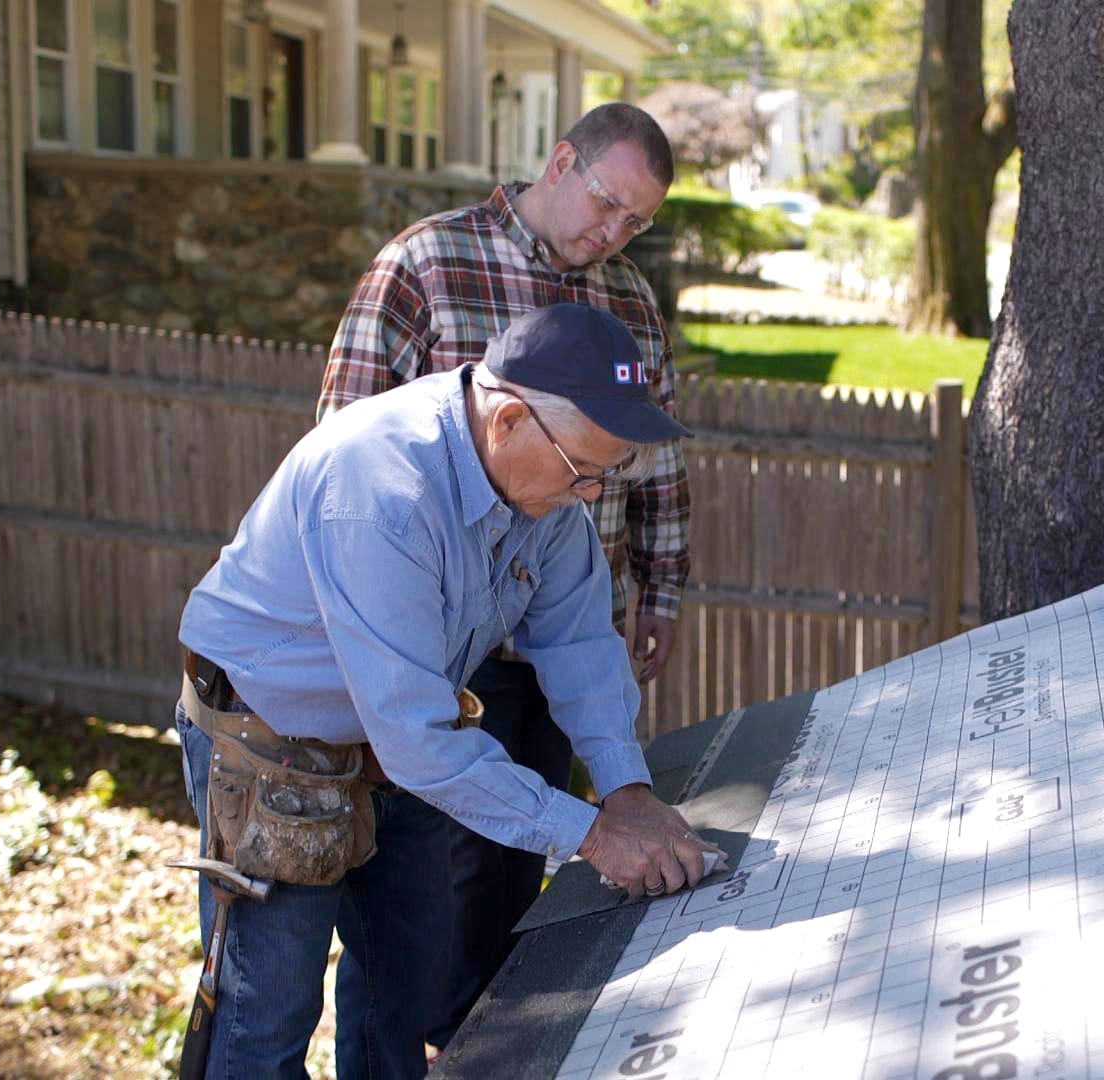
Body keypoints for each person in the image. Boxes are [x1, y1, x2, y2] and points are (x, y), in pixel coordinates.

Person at [177, 303, 722, 1077]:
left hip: (393, 740)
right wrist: (596, 836)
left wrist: (625, 786)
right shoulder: (380, 490)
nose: (594, 494)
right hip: (269, 739)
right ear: (505, 421)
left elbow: (578, 640)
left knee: (406, 988)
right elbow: (420, 742)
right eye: (583, 471)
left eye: (610, 472)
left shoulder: (550, 482)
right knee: (266, 1018)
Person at [319, 102, 688, 1040]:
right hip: (434, 640)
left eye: (635, 222)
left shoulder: (631, 302)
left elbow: (665, 460)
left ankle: (477, 1055)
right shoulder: (428, 265)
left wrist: (663, 582)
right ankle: (401, 1054)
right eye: (607, 203)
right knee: (407, 903)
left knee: (508, 891)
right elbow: (345, 446)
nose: (613, 232)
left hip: (563, 631)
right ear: (561, 161)